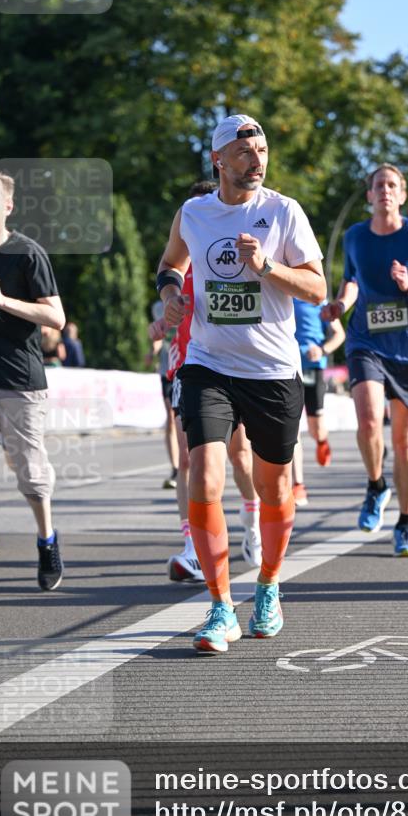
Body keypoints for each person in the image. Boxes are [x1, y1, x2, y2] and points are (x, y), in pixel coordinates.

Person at [156, 113, 325, 653]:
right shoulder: (194, 212)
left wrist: (269, 267)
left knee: (274, 487)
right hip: (207, 363)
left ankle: (270, 587)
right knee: (203, 473)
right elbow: (169, 265)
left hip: (272, 370)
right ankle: (220, 606)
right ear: (219, 160)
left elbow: (317, 288)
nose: (257, 159)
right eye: (246, 151)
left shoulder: (283, 211)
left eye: (263, 149)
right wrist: (169, 295)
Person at [323, 163, 408, 558]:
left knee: (404, 440)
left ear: (402, 195)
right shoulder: (355, 236)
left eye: (393, 185)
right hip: (365, 341)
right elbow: (352, 280)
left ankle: (406, 522)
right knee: (370, 419)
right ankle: (376, 485)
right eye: (379, 185)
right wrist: (341, 303)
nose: (386, 190)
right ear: (370, 196)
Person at [151, 180, 263, 583]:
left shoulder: (230, 252)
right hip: (192, 366)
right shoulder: (181, 258)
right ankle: (193, 548)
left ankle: (252, 523)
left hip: (237, 365)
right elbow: (169, 291)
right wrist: (165, 316)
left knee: (240, 456)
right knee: (189, 458)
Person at [0, 169, 66, 598]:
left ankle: (46, 540)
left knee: (30, 472)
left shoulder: (27, 255)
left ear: (8, 206)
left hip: (21, 379)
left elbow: (56, 318)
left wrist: (3, 301)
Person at [291, 297, 345, 505]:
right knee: (292, 427)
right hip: (287, 366)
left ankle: (322, 440)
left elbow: (339, 334)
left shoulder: (317, 298)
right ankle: (298, 484)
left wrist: (322, 350)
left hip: (312, 367)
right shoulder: (279, 290)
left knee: (316, 427)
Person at [147, 300, 179, 489]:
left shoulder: (195, 290)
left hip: (188, 363)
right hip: (167, 368)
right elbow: (159, 336)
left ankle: (193, 461)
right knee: (171, 416)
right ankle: (175, 467)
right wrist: (152, 351)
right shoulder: (158, 307)